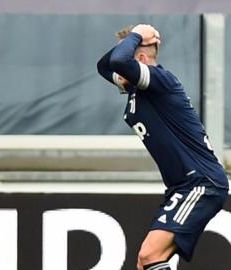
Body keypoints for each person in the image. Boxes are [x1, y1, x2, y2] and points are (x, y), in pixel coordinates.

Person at [97, 24, 229, 270]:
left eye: (128, 58)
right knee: (145, 262)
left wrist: (137, 35)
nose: (117, 74)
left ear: (142, 60)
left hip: (201, 182)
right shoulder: (135, 87)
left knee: (149, 255)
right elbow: (104, 65)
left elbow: (117, 61)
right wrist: (137, 37)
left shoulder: (159, 81)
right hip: (184, 185)